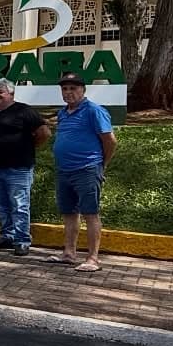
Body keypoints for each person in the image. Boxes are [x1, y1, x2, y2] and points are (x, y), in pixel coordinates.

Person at [47, 71, 117, 272]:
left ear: (83, 90)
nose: (68, 93)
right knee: (69, 213)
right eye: (65, 89)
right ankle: (69, 253)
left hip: (87, 168)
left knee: (90, 213)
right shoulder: (62, 113)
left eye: (73, 88)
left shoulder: (94, 111)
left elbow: (109, 141)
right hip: (64, 170)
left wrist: (102, 165)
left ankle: (93, 258)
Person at [0, 78, 50, 257]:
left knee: (19, 205)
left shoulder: (24, 111)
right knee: (1, 205)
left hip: (19, 168)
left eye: (0, 92)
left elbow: (44, 132)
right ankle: (7, 236)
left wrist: (27, 147)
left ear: (11, 94)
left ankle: (22, 240)